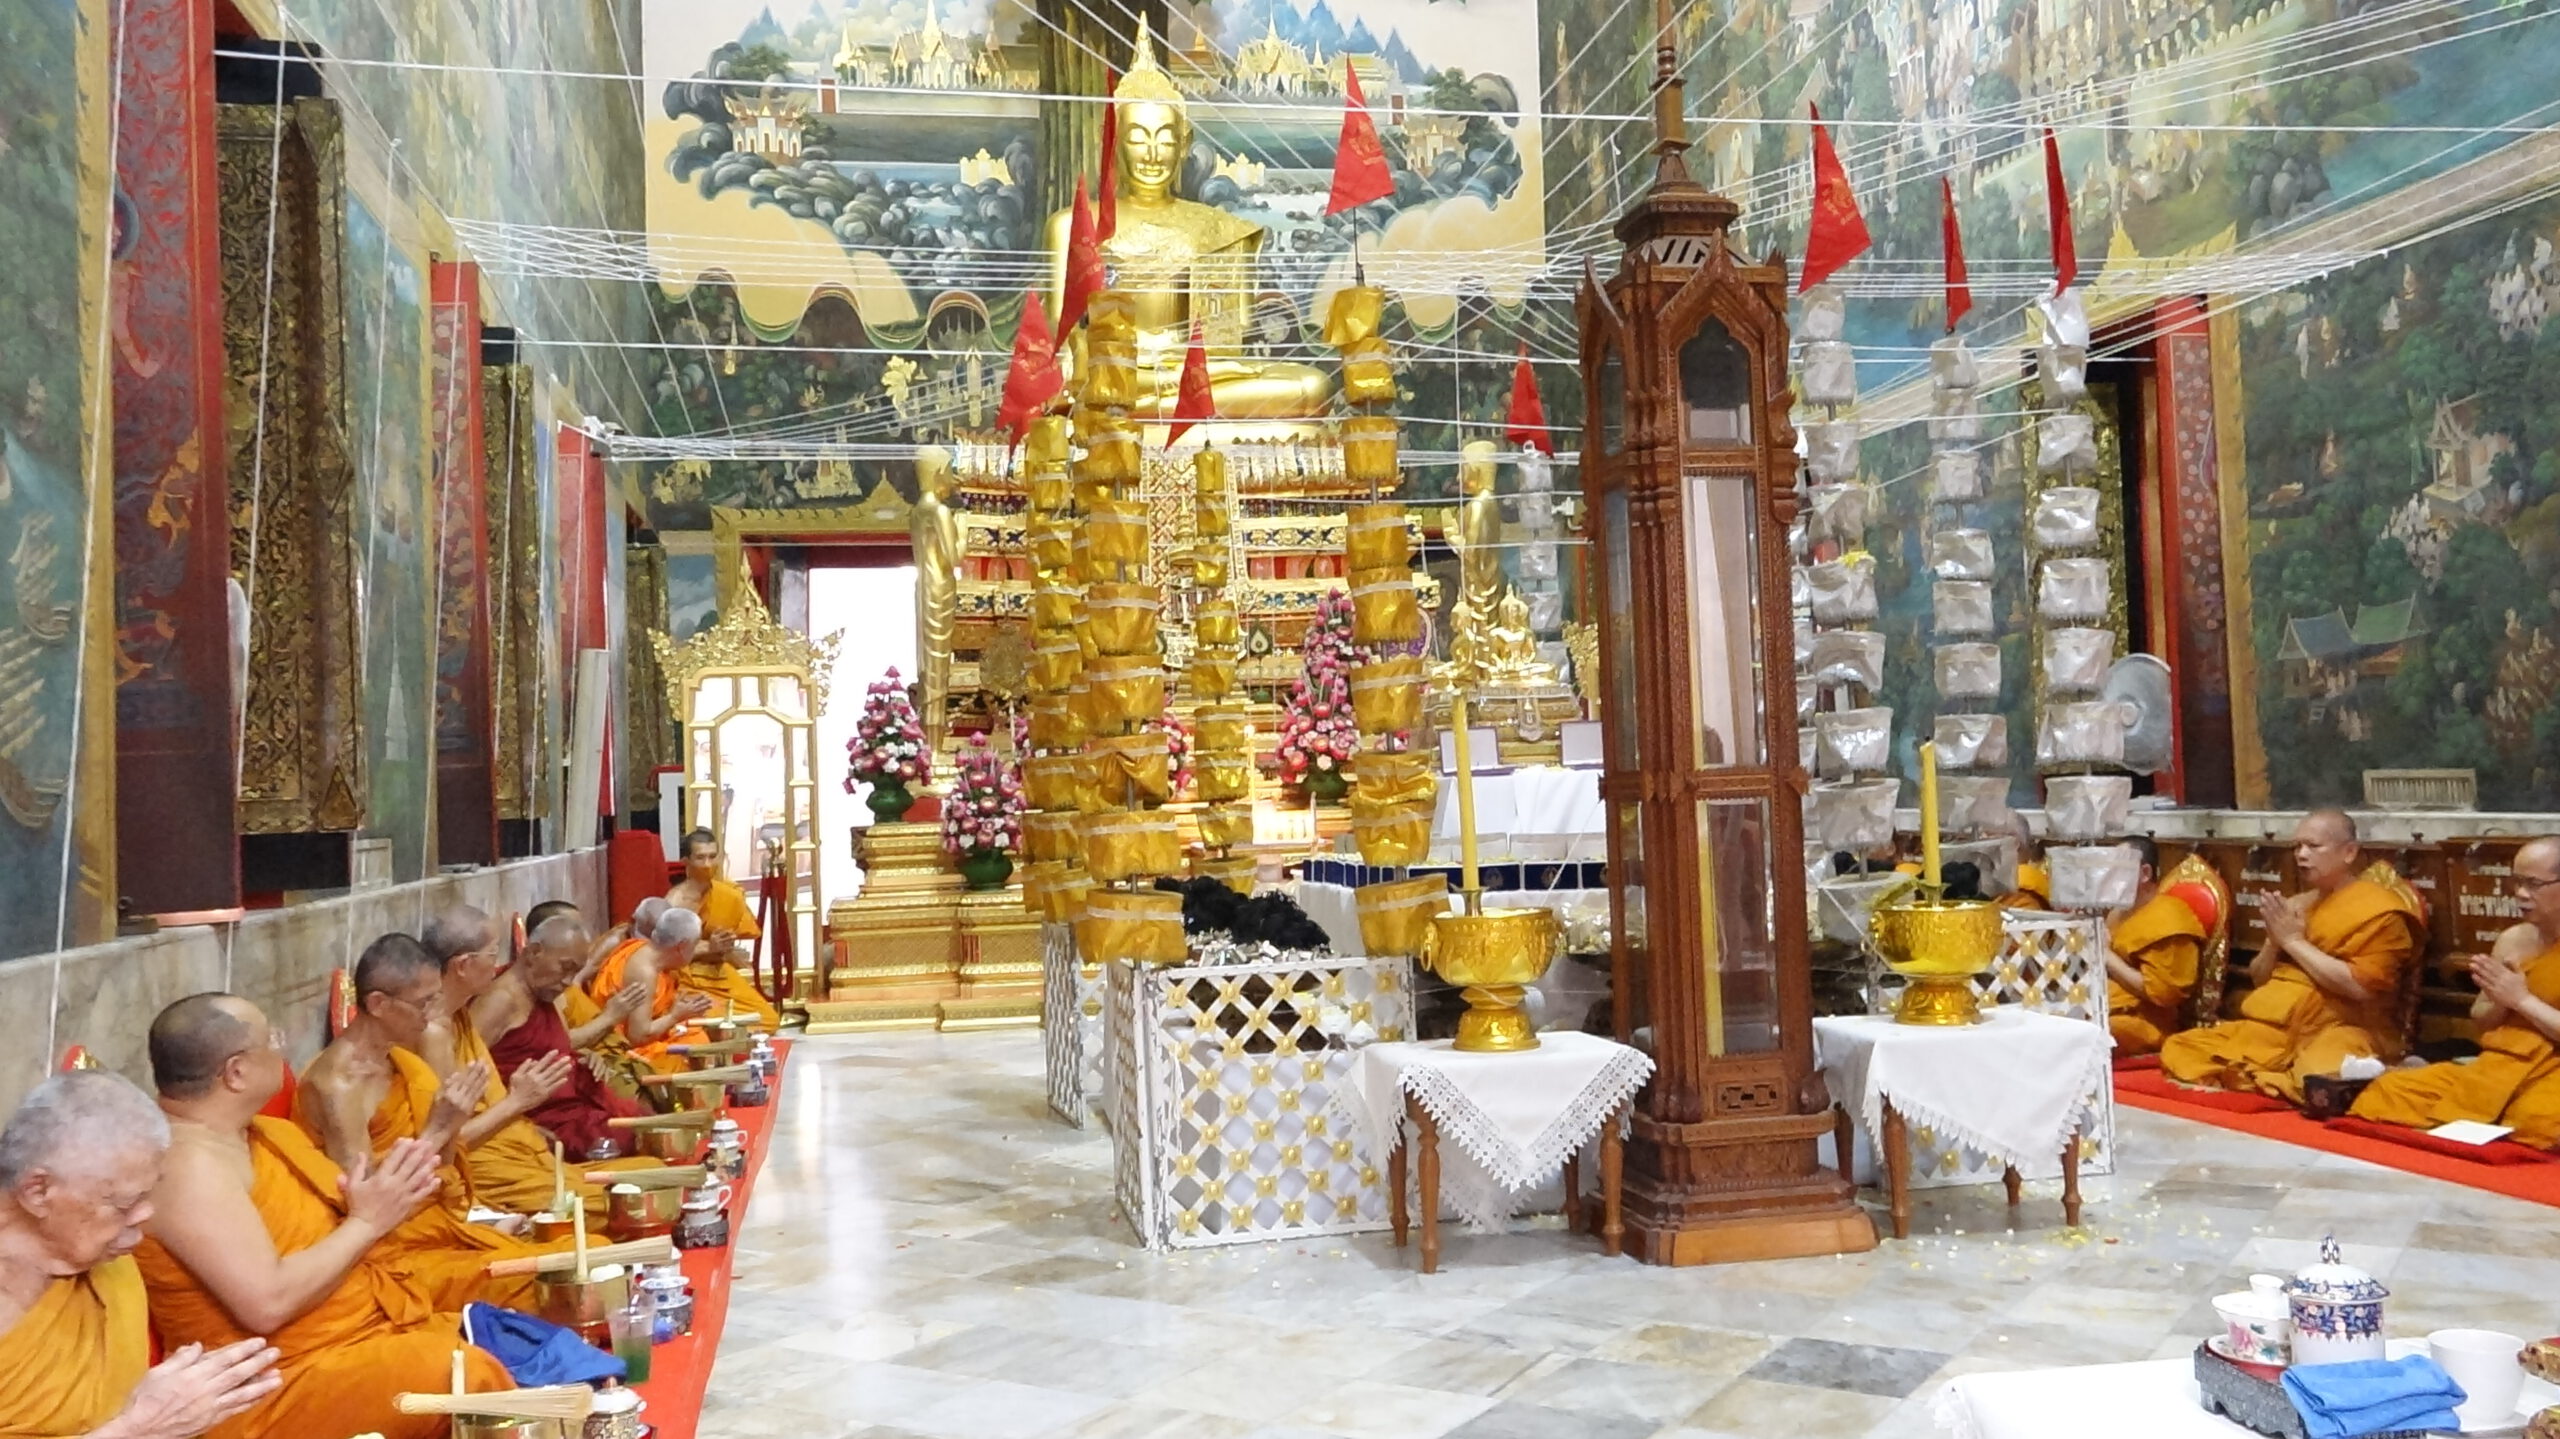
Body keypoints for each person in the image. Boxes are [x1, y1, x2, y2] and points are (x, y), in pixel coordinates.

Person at [134, 994, 514, 1439]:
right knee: (466, 1376)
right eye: (271, 1040)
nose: (281, 1049)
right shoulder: (186, 1166)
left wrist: (381, 1199)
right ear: (236, 1072)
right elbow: (268, 1304)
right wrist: (366, 1223)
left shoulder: (265, 1134)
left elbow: (344, 1218)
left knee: (504, 1338)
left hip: (354, 1331)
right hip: (270, 1385)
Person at [0, 1069, 282, 1438]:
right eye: (125, 1204)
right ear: (38, 1192)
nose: (145, 1216)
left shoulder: (107, 1262)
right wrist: (138, 1428)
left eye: (149, 1194)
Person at [294, 934, 568, 1272]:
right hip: (390, 1252)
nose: (432, 1014)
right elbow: (364, 1207)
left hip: (434, 1222)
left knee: (573, 1249)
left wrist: (451, 1125)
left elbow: (446, 1166)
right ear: (378, 1004)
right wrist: (437, 1130)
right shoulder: (339, 1086)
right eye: (423, 1003)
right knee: (550, 1270)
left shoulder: (402, 1064)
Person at [2160, 810, 2424, 1104]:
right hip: (2275, 1028)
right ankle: (2275, 1077)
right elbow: (2260, 979)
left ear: (2349, 852)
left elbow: (2360, 987)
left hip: (2341, 1029)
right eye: (2297, 846)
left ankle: (2379, 1071)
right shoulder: (2296, 905)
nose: (2301, 855)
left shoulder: (2380, 911)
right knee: (2181, 1047)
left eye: (2313, 846)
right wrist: (2275, 942)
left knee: (2317, 1076)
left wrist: (2293, 941)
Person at [408, 910, 650, 1216]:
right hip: (486, 1164)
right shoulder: (435, 1033)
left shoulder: (458, 1018)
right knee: (619, 1205)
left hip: (517, 1143)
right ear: (463, 965)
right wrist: (518, 1102)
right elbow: (448, 1142)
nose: (498, 964)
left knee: (646, 1171)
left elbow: (489, 1092)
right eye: (493, 954)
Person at [2351, 836, 2560, 1148]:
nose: (2520, 893)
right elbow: (2482, 1020)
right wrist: (2501, 1001)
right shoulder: (2513, 940)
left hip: (2552, 1070)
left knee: (2540, 1119)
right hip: (2499, 1066)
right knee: (2388, 1091)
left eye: (2533, 884)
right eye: (2516, 882)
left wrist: (2522, 1000)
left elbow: (2521, 1001)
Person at [476, 907, 647, 1160]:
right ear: (533, 952)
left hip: (572, 1103)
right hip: (540, 1118)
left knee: (643, 1121)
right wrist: (516, 1123)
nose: (568, 982)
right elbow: (469, 1072)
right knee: (636, 1140)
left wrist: (583, 1057)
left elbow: (556, 1046)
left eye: (575, 972)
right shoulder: (501, 1000)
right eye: (565, 968)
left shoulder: (542, 992)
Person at [665, 828, 782, 1029]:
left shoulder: (727, 895)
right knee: (713, 1021)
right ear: (686, 861)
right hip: (687, 977)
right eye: (700, 858)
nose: (707, 864)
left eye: (712, 857)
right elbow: (666, 953)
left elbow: (729, 942)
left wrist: (728, 952)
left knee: (768, 1021)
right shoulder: (674, 901)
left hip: (718, 971)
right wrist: (708, 947)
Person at [2105, 836, 2210, 1057]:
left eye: (2117, 868)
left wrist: (2106, 957)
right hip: (2106, 1007)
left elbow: (2164, 994)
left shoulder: (2170, 919)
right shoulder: (2116, 913)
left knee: (2082, 1033)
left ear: (2144, 873)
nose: (2108, 876)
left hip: (2144, 1023)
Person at [586, 905, 718, 1071]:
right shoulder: (644, 972)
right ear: (682, 946)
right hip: (621, 1048)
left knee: (695, 1033)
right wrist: (675, 1016)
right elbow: (637, 1036)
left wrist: (678, 1009)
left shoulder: (643, 948)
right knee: (692, 1047)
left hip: (644, 1033)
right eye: (695, 944)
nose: (696, 950)